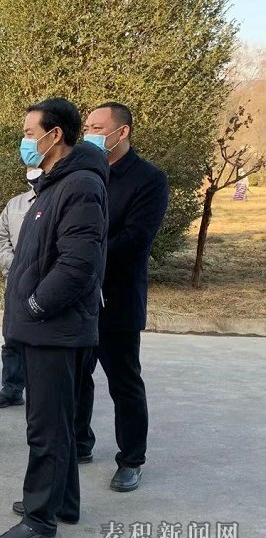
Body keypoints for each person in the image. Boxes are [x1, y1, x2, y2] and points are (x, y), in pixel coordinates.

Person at [0, 98, 108, 538]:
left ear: (54, 134)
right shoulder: (55, 184)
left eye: (29, 133)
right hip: (45, 328)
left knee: (45, 427)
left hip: (54, 329)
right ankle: (63, 502)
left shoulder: (78, 185)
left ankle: (40, 516)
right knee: (57, 422)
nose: (24, 141)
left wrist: (36, 305)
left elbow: (78, 264)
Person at [77, 102, 169, 491]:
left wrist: (82, 254)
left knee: (124, 381)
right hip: (79, 296)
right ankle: (79, 443)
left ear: (122, 132)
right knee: (77, 377)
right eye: (87, 127)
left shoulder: (149, 179)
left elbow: (136, 238)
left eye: (98, 128)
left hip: (118, 298)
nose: (90, 134)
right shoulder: (83, 173)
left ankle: (131, 459)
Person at [0, 168, 40, 409]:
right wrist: (16, 264)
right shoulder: (15, 204)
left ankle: (42, 392)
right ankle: (12, 389)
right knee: (12, 338)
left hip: (47, 284)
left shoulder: (61, 200)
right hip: (16, 283)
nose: (34, 170)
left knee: (42, 342)